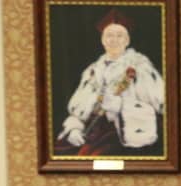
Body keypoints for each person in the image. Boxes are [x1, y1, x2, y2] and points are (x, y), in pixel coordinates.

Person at [55, 9, 165, 157]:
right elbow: (79, 109)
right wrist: (74, 128)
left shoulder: (140, 67)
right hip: (92, 129)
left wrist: (120, 106)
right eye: (109, 36)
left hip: (124, 132)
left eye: (119, 36)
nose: (114, 40)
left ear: (127, 41)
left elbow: (162, 106)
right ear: (102, 40)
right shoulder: (92, 71)